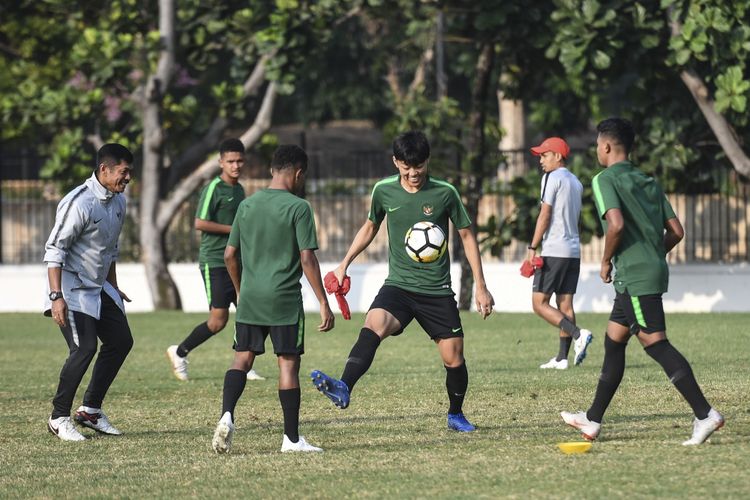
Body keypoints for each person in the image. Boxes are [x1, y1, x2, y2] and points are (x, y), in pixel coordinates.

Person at [310, 130, 494, 433]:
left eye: (419, 166)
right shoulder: (383, 191)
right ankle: (344, 386)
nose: (413, 173)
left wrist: (481, 286)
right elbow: (370, 227)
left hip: (436, 291)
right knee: (373, 324)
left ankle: (455, 414)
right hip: (399, 285)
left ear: (428, 161)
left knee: (454, 357)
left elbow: (466, 235)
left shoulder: (445, 192)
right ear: (396, 162)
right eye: (407, 166)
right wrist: (344, 264)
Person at [561, 117, 724, 445]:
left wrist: (606, 260)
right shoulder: (648, 180)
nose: (597, 150)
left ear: (606, 146)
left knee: (655, 343)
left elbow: (616, 225)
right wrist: (652, 253)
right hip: (644, 272)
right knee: (614, 339)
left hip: (633, 275)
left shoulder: (604, 179)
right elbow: (676, 231)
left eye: (596, 145)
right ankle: (592, 420)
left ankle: (705, 414)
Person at [211, 144, 334, 454]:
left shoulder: (247, 206)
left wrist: (240, 290)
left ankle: (227, 415)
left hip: (251, 297)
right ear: (299, 172)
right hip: (284, 299)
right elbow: (307, 259)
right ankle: (291, 440)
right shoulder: (299, 207)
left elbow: (229, 255)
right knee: (288, 364)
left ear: (271, 170)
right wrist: (322, 300)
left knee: (242, 357)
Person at [43, 143, 135, 441]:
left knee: (121, 341)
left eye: (130, 172)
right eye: (123, 172)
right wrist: (56, 297)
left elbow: (110, 250)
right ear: (104, 169)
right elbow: (55, 250)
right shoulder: (79, 202)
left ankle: (91, 410)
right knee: (84, 349)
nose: (128, 178)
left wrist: (114, 287)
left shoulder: (119, 202)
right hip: (71, 288)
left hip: (100, 288)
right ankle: (58, 417)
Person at [166, 138, 264, 382]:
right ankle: (179, 352)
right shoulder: (213, 188)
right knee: (218, 320)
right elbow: (199, 222)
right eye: (230, 161)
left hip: (237, 261)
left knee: (248, 311)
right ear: (221, 162)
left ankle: (244, 363)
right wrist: (234, 229)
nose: (236, 165)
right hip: (215, 262)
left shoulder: (239, 189)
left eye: (240, 160)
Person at [527, 137, 592, 370]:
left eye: (544, 155)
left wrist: (532, 246)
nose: (541, 160)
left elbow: (544, 215)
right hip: (573, 251)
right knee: (565, 303)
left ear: (557, 155)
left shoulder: (551, 178)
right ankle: (562, 359)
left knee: (539, 303)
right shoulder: (576, 182)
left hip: (554, 249)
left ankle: (578, 334)